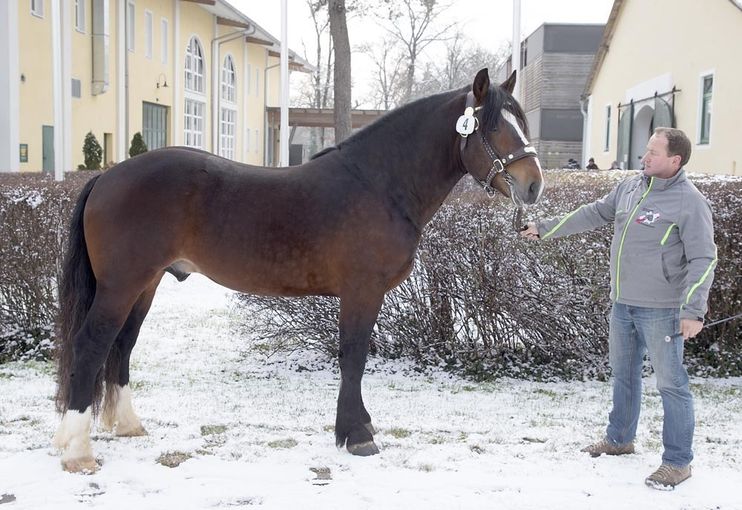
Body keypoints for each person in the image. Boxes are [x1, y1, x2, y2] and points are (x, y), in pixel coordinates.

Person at [521, 127, 717, 490]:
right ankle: (619, 439)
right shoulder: (630, 187)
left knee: (672, 384)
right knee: (623, 375)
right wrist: (545, 228)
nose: (645, 158)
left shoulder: (690, 201)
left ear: (675, 160)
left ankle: (677, 462)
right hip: (622, 304)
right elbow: (594, 213)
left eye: (654, 154)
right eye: (646, 151)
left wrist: (694, 310)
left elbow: (704, 258)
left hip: (663, 310)